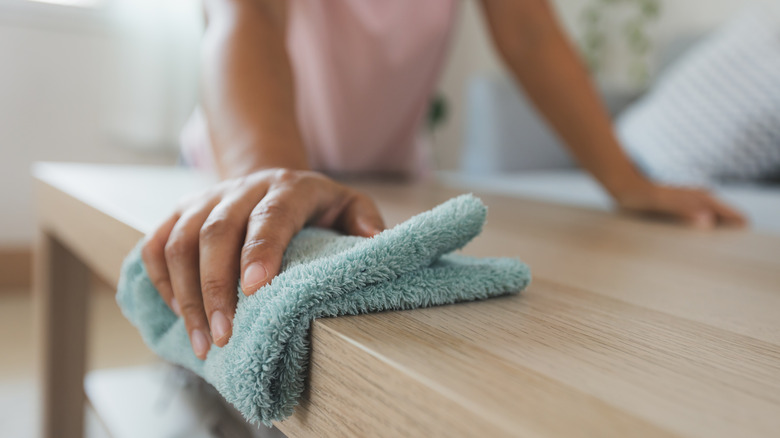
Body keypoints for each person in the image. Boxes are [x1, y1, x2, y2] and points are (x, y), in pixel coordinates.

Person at [141, 0, 746, 360]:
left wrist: (624, 178)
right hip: (240, 171)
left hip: (386, 182)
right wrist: (272, 176)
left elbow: (530, 32)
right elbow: (245, 18)